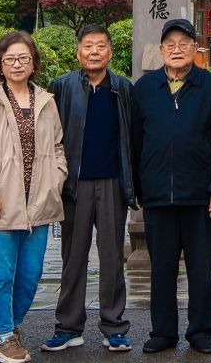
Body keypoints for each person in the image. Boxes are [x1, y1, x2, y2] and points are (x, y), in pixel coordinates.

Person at [129, 18, 211, 354]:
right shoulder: (144, 88)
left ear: (195, 48)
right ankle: (163, 332)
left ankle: (201, 331)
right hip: (158, 195)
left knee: (201, 268)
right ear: (161, 50)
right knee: (161, 267)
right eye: (170, 44)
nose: (177, 50)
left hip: (201, 196)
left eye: (184, 44)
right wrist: (139, 190)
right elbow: (135, 142)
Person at [0, 31, 67, 363]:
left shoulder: (47, 101)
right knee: (2, 275)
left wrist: (56, 180)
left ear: (34, 62)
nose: (17, 64)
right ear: (0, 64)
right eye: (10, 58)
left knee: (30, 274)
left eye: (24, 58)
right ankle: (4, 335)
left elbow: (57, 147)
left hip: (39, 202)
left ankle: (12, 326)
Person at [44, 24, 136, 353]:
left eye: (100, 46)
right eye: (88, 46)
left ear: (110, 52)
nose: (94, 52)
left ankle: (114, 326)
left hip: (112, 182)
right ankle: (68, 327)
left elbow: (133, 136)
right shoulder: (62, 86)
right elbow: (50, 135)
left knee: (112, 257)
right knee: (73, 256)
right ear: (78, 52)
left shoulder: (123, 88)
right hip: (74, 185)